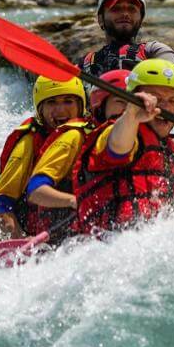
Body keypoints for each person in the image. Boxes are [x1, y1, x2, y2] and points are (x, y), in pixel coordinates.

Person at [72, 59, 174, 234]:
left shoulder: (168, 145)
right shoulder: (117, 131)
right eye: (157, 99)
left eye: (172, 100)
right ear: (134, 98)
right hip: (113, 242)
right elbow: (118, 146)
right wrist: (131, 114)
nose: (165, 108)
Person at [21, 70, 132, 239]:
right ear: (101, 107)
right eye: (120, 102)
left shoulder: (145, 136)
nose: (129, 110)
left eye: (134, 104)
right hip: (65, 236)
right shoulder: (74, 136)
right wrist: (75, 201)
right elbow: (35, 190)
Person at [0, 76, 86, 239]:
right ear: (41, 109)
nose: (61, 110)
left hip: (70, 227)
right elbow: (1, 202)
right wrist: (18, 237)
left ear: (80, 106)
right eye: (52, 102)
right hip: (27, 230)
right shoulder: (29, 142)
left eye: (68, 101)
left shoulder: (90, 133)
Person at [78, 0, 174, 78]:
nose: (125, 14)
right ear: (100, 19)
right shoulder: (85, 64)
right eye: (116, 9)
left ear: (141, 19)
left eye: (132, 9)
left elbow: (172, 83)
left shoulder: (155, 52)